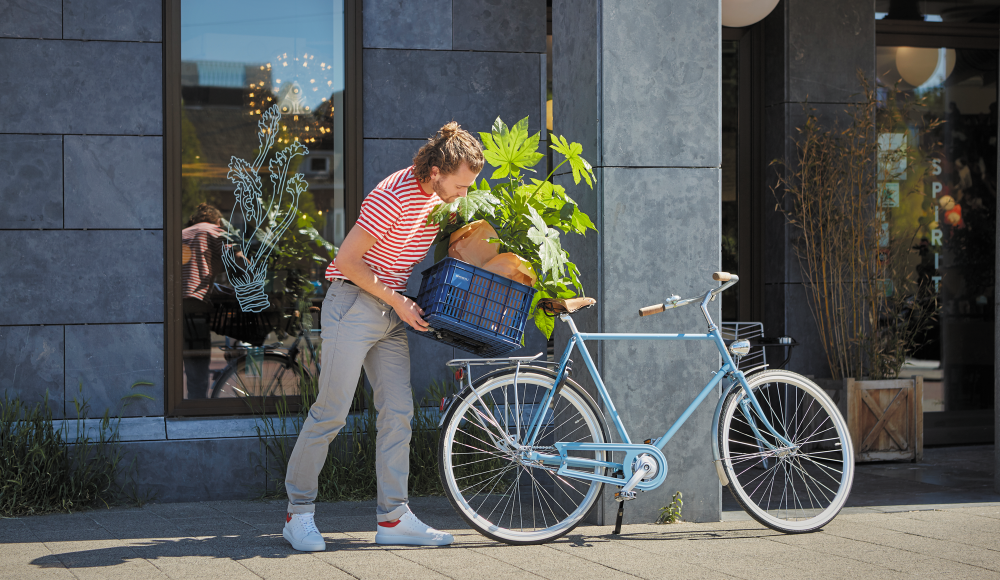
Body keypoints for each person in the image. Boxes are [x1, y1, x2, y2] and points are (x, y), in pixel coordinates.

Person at [282, 122, 484, 550]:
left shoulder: (438, 200)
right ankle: (297, 514)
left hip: (391, 308)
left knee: (398, 413)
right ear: (436, 172)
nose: (463, 194)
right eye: (461, 185)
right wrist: (397, 301)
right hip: (353, 303)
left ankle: (392, 519)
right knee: (331, 412)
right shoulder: (391, 196)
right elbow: (347, 260)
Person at [181, 203, 227, 398]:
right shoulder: (212, 230)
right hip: (194, 308)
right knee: (197, 373)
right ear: (217, 221)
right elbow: (237, 260)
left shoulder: (182, 233)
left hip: (169, 308)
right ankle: (196, 413)